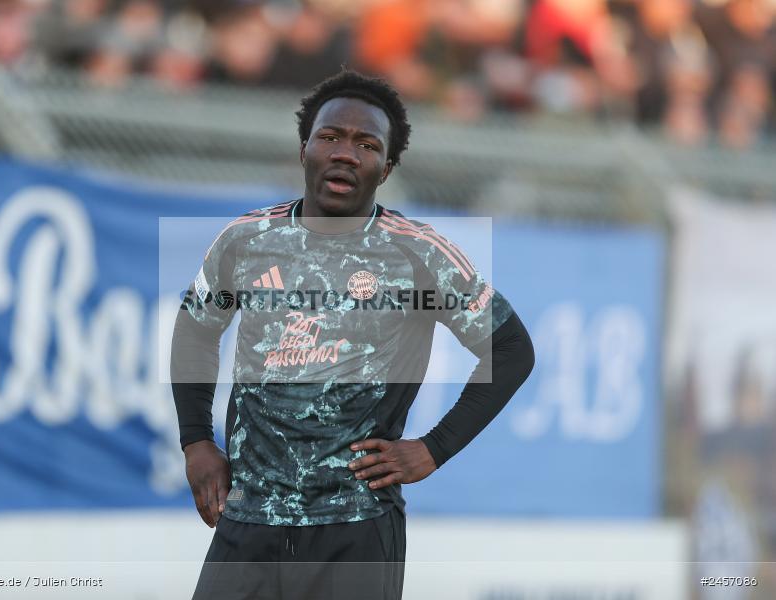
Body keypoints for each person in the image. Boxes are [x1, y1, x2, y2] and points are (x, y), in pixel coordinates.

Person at [171, 69, 535, 600]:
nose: (345, 153)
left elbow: (510, 348)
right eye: (330, 137)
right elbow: (195, 331)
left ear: (385, 169)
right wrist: (196, 441)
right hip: (247, 520)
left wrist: (434, 449)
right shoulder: (245, 241)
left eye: (366, 145)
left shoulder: (418, 254)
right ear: (304, 151)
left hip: (356, 528)